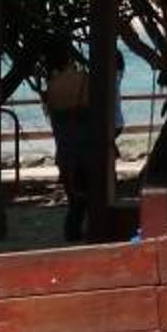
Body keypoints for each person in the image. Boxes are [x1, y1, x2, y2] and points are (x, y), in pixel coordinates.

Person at [43, 61, 103, 241]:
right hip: (85, 149)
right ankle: (90, 230)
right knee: (90, 195)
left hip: (65, 151)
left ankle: (73, 232)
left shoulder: (53, 87)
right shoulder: (86, 82)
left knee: (75, 198)